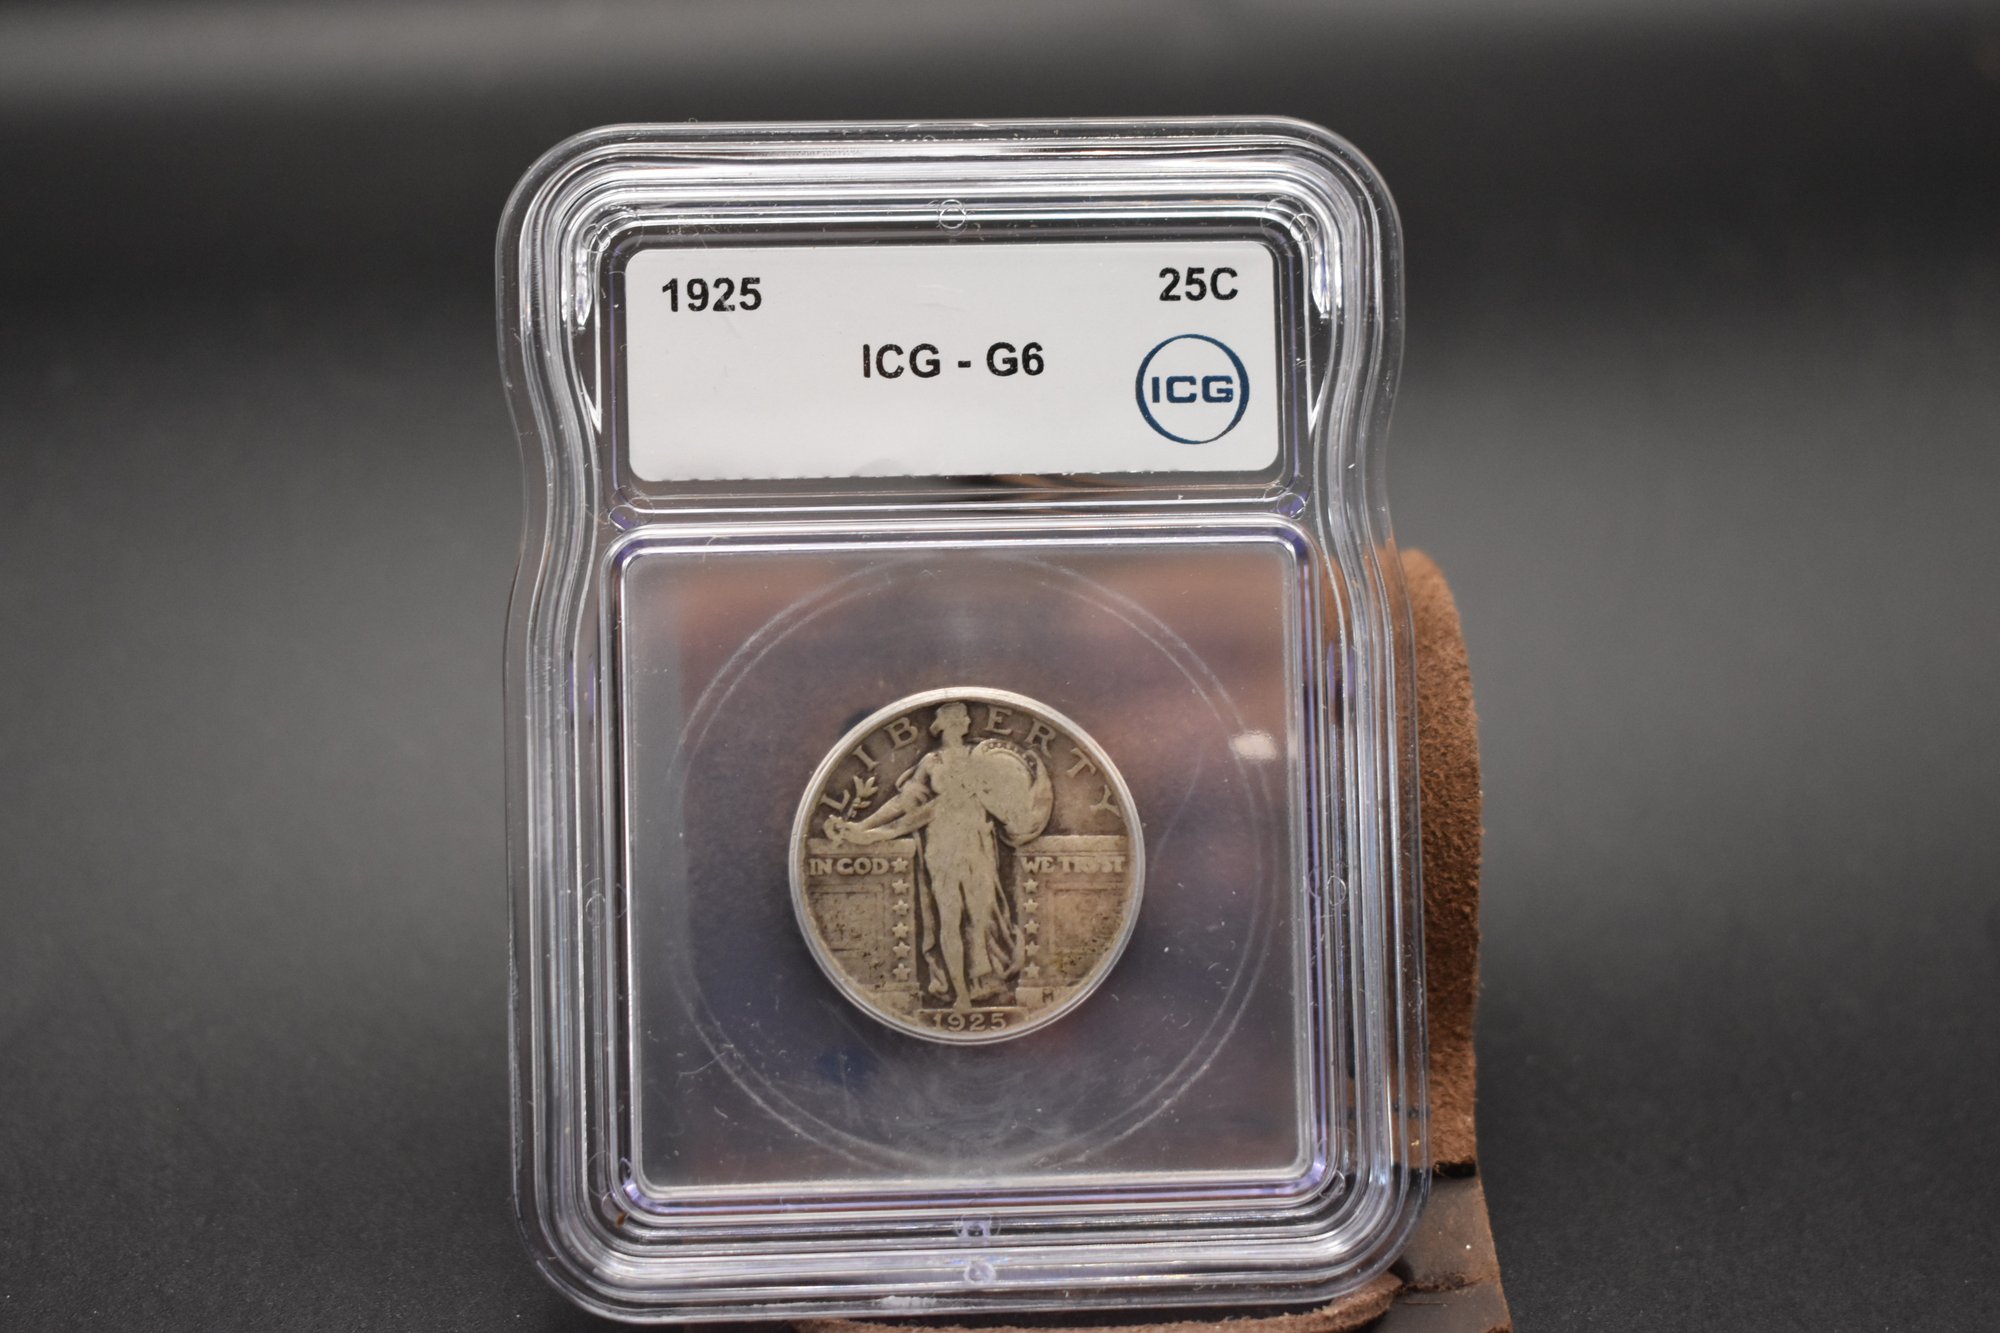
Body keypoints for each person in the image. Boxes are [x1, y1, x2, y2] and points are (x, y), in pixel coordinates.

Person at [826, 703, 1043, 1010]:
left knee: (981, 918)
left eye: (961, 718)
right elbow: (904, 803)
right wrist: (863, 826)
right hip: (941, 845)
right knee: (949, 919)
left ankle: (983, 981)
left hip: (977, 844)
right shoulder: (931, 762)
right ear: (942, 725)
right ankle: (961, 995)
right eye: (952, 718)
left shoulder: (982, 758)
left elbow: (1007, 803)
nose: (960, 722)